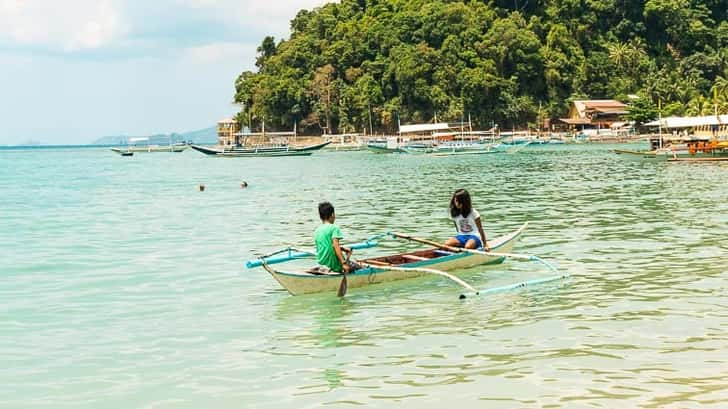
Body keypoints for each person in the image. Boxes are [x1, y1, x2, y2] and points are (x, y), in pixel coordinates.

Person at [314, 201, 360, 273]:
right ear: (332, 214)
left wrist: (342, 249)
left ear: (320, 216)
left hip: (322, 265)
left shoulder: (317, 230)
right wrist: (343, 263)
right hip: (334, 266)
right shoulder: (334, 228)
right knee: (359, 267)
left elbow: (325, 247)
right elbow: (335, 245)